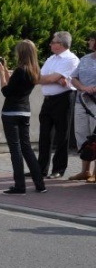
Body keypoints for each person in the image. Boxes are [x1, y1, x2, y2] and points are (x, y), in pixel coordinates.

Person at [0, 41, 47, 194]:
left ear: (21, 53)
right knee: (26, 148)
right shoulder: (34, 70)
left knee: (15, 150)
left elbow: (6, 91)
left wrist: (0, 75)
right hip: (25, 112)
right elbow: (16, 85)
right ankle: (40, 185)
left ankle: (20, 186)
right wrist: (5, 70)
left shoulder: (20, 70)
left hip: (11, 112)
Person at [36, 31, 80, 179]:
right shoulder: (51, 59)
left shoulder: (71, 59)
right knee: (44, 135)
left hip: (63, 99)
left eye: (53, 42)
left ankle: (58, 169)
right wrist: (55, 78)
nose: (50, 44)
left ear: (61, 44)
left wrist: (52, 78)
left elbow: (49, 78)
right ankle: (40, 168)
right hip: (48, 100)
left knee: (62, 135)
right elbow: (39, 77)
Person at [69, 32, 96, 182]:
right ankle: (85, 171)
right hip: (81, 103)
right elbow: (73, 78)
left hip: (95, 103)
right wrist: (83, 87)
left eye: (91, 39)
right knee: (82, 136)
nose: (89, 42)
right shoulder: (84, 59)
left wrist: (93, 89)